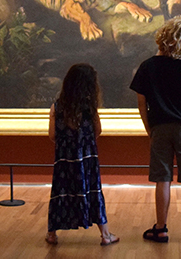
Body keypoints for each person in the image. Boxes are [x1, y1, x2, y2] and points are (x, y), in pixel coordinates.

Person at [130, 18, 181, 243]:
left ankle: (160, 229)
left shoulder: (146, 66)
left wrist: (149, 128)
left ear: (162, 36)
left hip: (159, 127)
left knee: (162, 179)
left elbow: (141, 102)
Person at [46, 63, 119, 246]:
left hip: (64, 161)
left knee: (60, 193)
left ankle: (52, 234)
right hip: (87, 161)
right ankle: (105, 235)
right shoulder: (89, 109)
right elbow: (98, 131)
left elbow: (52, 135)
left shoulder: (57, 107)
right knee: (93, 192)